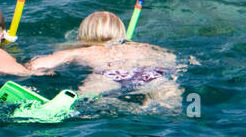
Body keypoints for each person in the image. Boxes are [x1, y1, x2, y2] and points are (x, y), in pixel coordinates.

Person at [24, 9, 183, 108]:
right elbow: (171, 59)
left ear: (84, 34)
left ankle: (123, 107)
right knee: (169, 105)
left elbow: (38, 65)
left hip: (108, 75)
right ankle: (151, 107)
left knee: (84, 102)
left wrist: (32, 68)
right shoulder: (141, 47)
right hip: (149, 73)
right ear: (121, 33)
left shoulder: (79, 51)